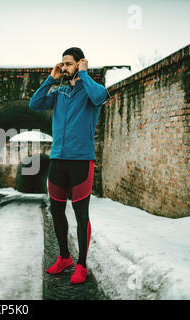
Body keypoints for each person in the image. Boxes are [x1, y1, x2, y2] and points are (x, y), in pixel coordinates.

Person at [29, 47, 108, 284]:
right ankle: (64, 258)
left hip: (81, 161)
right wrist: (50, 79)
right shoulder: (60, 92)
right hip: (57, 160)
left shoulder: (90, 91)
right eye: (62, 63)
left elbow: (100, 97)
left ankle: (81, 264)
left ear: (80, 63)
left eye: (69, 64)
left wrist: (84, 74)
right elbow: (35, 104)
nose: (64, 67)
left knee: (81, 214)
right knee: (56, 210)